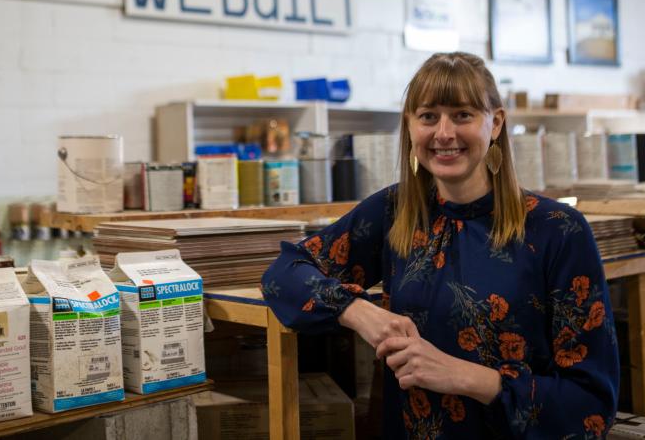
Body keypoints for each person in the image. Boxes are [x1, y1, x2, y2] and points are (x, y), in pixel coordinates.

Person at [261, 52, 618, 439]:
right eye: (428, 116)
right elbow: (283, 274)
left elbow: (592, 404)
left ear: (495, 123)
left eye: (462, 115)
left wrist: (469, 378)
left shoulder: (557, 230)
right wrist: (357, 309)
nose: (443, 133)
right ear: (410, 126)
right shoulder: (394, 212)